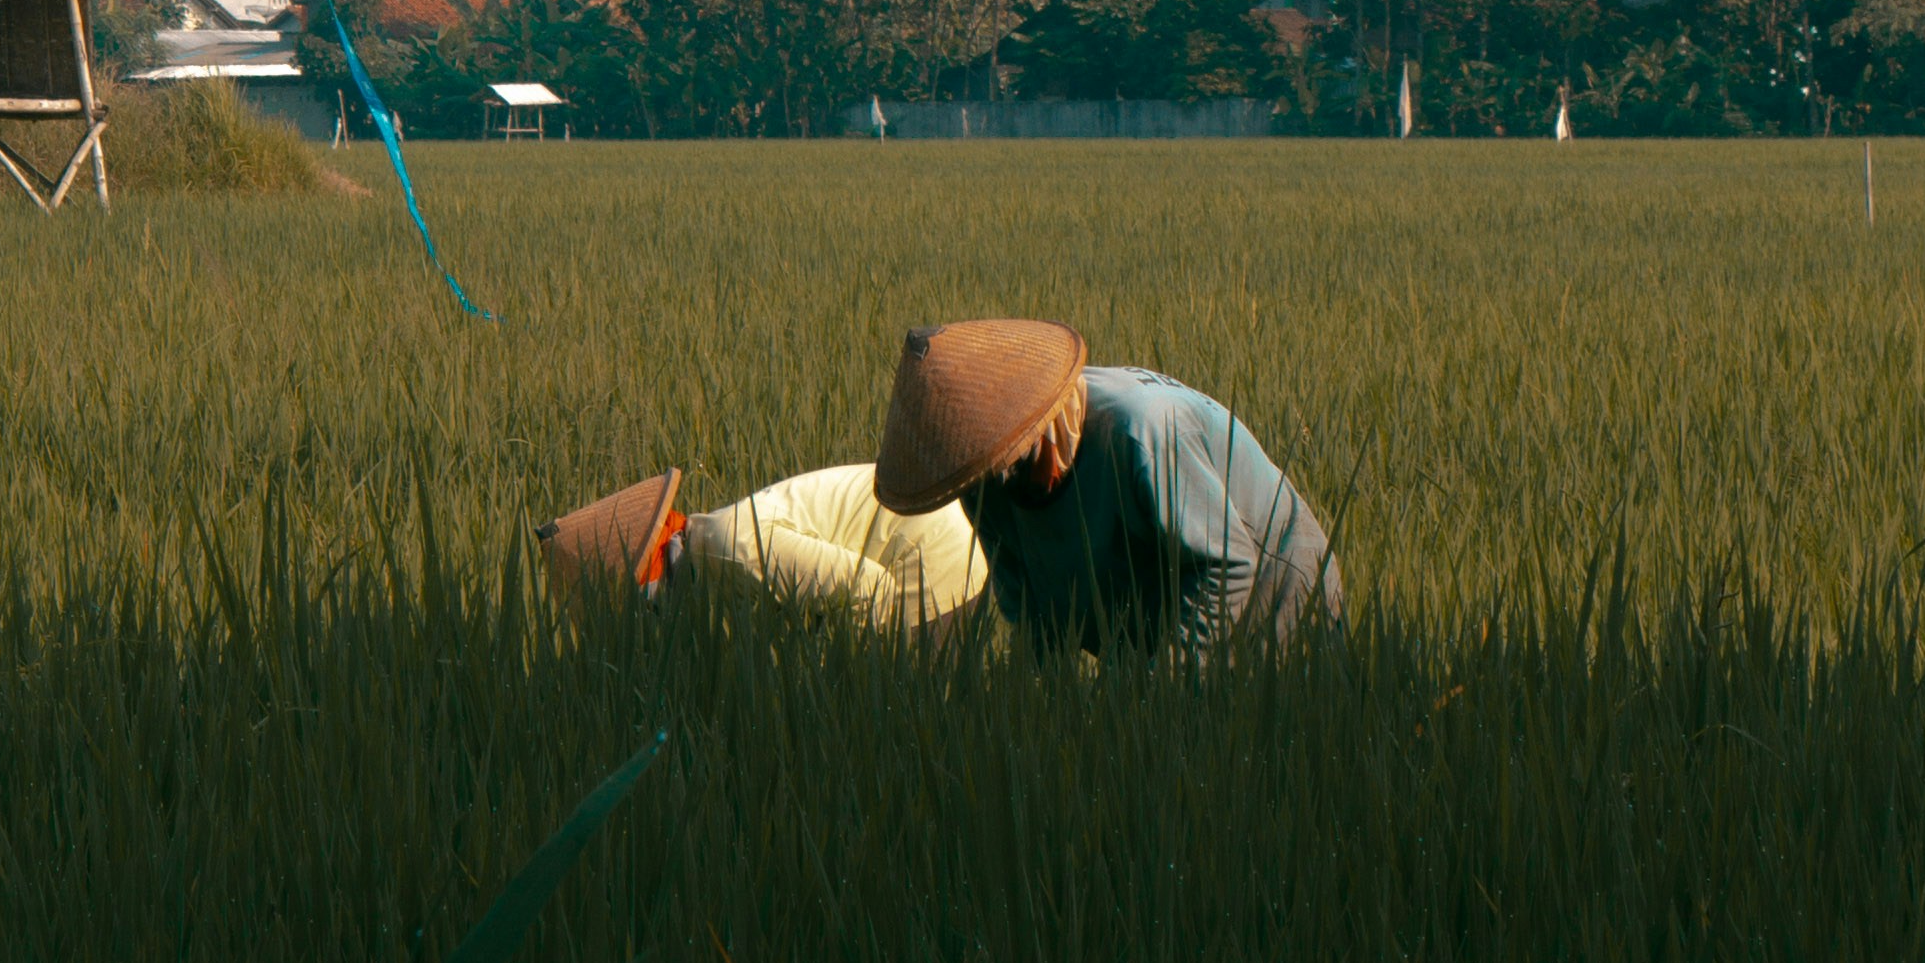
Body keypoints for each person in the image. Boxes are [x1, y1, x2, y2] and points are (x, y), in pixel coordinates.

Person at [872, 315, 1343, 656]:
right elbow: (1029, 608)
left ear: (1028, 434)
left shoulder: (1143, 432)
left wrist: (1166, 688)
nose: (981, 490)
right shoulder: (979, 479)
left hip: (1275, 589)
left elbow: (1227, 563)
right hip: (1154, 605)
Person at [541, 455, 985, 627]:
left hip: (924, 554)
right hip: (912, 532)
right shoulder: (711, 559)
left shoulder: (730, 550)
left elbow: (871, 591)